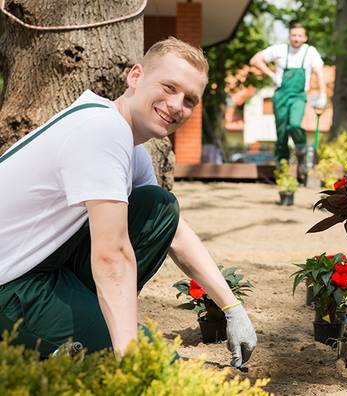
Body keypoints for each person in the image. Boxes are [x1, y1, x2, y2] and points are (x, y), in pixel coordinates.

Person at [0, 37, 257, 368]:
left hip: (39, 269)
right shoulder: (103, 131)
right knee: (154, 360)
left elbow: (174, 232)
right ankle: (77, 343)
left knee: (158, 206)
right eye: (168, 86)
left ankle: (83, 329)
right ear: (135, 76)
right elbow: (112, 255)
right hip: (10, 286)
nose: (177, 104)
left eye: (189, 99)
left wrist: (231, 307)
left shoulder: (127, 143)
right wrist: (129, 356)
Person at [250, 21, 327, 183]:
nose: (296, 38)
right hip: (280, 95)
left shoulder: (310, 52)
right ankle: (282, 169)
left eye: (300, 35)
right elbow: (255, 60)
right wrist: (271, 75)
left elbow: (320, 73)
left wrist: (323, 94)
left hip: (299, 95)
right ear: (289, 36)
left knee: (294, 125)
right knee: (282, 132)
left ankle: (301, 150)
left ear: (305, 38)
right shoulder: (279, 50)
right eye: (293, 35)